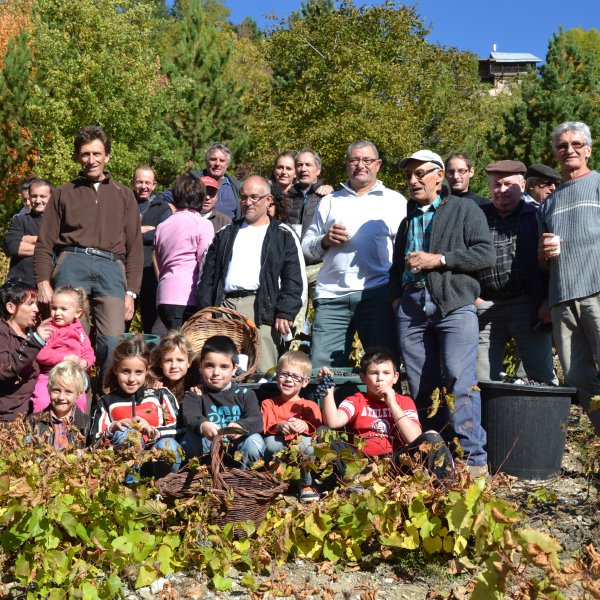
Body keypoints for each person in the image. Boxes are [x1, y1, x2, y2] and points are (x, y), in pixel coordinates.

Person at [390, 149, 495, 476]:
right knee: (422, 385)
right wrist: (397, 299)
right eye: (409, 175)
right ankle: (435, 460)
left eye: (420, 173)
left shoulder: (464, 209)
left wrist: (439, 260)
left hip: (453, 304)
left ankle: (473, 462)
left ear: (440, 176)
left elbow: (484, 253)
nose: (413, 180)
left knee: (460, 380)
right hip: (412, 307)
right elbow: (396, 267)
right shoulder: (408, 220)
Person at [34, 125, 143, 383]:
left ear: (107, 156)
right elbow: (44, 242)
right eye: (85, 154)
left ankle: (104, 399)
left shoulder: (124, 195)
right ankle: (76, 404)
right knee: (69, 339)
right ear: (77, 157)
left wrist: (131, 293)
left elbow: (135, 247)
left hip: (111, 267)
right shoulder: (63, 193)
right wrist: (42, 281)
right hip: (73, 262)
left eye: (97, 154)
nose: (91, 160)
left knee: (113, 340)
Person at [302, 140, 406, 367]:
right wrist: (325, 240)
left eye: (367, 160)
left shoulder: (395, 201)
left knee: (382, 367)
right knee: (323, 371)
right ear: (346, 164)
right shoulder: (329, 201)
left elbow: (404, 253)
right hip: (332, 297)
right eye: (354, 160)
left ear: (378, 164)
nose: (361, 165)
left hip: (377, 294)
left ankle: (383, 405)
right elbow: (306, 248)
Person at [197, 176, 305, 374]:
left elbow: (293, 279)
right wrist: (207, 308)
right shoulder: (226, 232)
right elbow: (208, 276)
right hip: (226, 308)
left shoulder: (283, 235)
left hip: (262, 308)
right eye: (244, 197)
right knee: (224, 372)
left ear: (269, 200)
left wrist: (285, 311)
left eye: (255, 197)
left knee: (264, 372)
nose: (248, 203)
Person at [538, 121, 600, 434]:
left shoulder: (598, 184)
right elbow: (543, 262)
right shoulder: (549, 201)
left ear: (588, 150)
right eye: (562, 146)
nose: (569, 150)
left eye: (576, 144)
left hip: (597, 291)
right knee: (578, 378)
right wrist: (544, 254)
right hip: (562, 297)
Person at [320, 347, 454, 483]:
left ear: (395, 377)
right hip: (360, 464)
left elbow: (413, 437)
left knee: (432, 437)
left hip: (395, 464)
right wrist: (328, 392)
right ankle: (349, 483)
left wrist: (392, 402)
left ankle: (443, 485)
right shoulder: (357, 400)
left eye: (386, 373)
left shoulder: (404, 402)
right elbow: (333, 422)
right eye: (374, 373)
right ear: (363, 378)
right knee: (323, 433)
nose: (380, 378)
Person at [476, 160, 555, 383]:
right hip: (486, 305)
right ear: (490, 187)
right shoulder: (477, 217)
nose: (502, 190)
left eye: (508, 185)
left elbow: (553, 262)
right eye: (496, 185)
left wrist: (548, 299)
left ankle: (547, 418)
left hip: (528, 305)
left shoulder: (537, 216)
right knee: (481, 379)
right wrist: (473, 297)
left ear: (522, 186)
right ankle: (488, 418)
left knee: (540, 376)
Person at [91, 337, 183, 482]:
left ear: (147, 371)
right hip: (122, 466)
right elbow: (94, 443)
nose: (131, 379)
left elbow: (181, 429)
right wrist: (113, 428)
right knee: (126, 433)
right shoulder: (107, 402)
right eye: (126, 371)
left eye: (138, 372)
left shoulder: (160, 395)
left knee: (169, 446)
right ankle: (129, 486)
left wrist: (153, 430)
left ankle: (162, 489)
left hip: (156, 461)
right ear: (115, 369)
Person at [181, 335, 265, 468]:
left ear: (234, 369)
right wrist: (203, 425)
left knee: (254, 442)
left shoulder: (246, 395)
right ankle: (198, 476)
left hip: (236, 449)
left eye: (224, 367)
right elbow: (190, 416)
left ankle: (244, 478)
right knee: (190, 440)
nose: (216, 372)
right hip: (207, 449)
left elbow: (257, 419)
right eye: (209, 366)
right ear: (201, 367)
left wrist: (240, 426)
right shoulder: (195, 395)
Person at [153, 172, 214, 330]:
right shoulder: (202, 224)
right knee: (185, 351)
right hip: (187, 299)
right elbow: (206, 264)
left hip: (164, 296)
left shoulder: (163, 226)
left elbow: (159, 260)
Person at [261, 351, 322, 502]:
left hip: (301, 447)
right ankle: (277, 482)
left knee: (308, 445)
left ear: (305, 381)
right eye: (284, 374)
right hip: (278, 446)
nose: (288, 379)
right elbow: (265, 427)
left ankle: (306, 484)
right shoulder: (268, 403)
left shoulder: (310, 405)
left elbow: (317, 428)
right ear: (276, 376)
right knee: (272, 443)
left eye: (295, 376)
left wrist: (305, 426)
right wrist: (279, 426)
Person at [31, 286, 95, 414]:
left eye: (63, 309)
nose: (57, 313)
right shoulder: (48, 329)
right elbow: (41, 353)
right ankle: (38, 427)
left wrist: (85, 362)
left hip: (73, 377)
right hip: (49, 375)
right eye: (54, 308)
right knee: (41, 401)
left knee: (80, 401)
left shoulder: (80, 332)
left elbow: (89, 352)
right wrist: (64, 358)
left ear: (77, 313)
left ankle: (76, 430)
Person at [0, 280, 52, 422]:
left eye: (36, 304)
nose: (36, 309)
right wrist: (35, 342)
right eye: (30, 304)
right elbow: (4, 370)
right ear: (11, 307)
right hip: (7, 418)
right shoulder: (2, 333)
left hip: (31, 414)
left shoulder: (31, 333)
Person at [133, 165, 172, 335]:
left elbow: (162, 234)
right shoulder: (125, 203)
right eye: (139, 182)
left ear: (154, 184)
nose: (143, 186)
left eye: (147, 182)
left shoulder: (162, 208)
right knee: (122, 321)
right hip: (126, 271)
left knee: (150, 323)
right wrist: (142, 230)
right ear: (133, 182)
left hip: (150, 272)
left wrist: (132, 233)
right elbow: (114, 231)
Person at [26, 361, 91, 450]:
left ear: (78, 394)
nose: (61, 397)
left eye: (68, 392)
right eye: (56, 390)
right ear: (49, 390)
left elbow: (94, 451)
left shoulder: (87, 424)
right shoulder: (33, 422)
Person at [5, 179, 53, 287]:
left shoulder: (60, 221)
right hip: (21, 284)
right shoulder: (19, 220)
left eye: (43, 196)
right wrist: (49, 245)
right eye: (34, 196)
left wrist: (28, 239)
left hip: (51, 283)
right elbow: (13, 247)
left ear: (52, 197)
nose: (37, 200)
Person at [148, 331, 195, 403]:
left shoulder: (194, 383)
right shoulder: (153, 381)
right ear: (161, 363)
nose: (174, 366)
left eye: (180, 360)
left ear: (189, 362)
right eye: (168, 360)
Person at [204, 143, 242, 221]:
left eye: (222, 160)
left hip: (229, 231)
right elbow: (172, 198)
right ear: (206, 161)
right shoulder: (194, 181)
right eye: (213, 159)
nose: (217, 164)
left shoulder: (237, 187)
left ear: (227, 164)